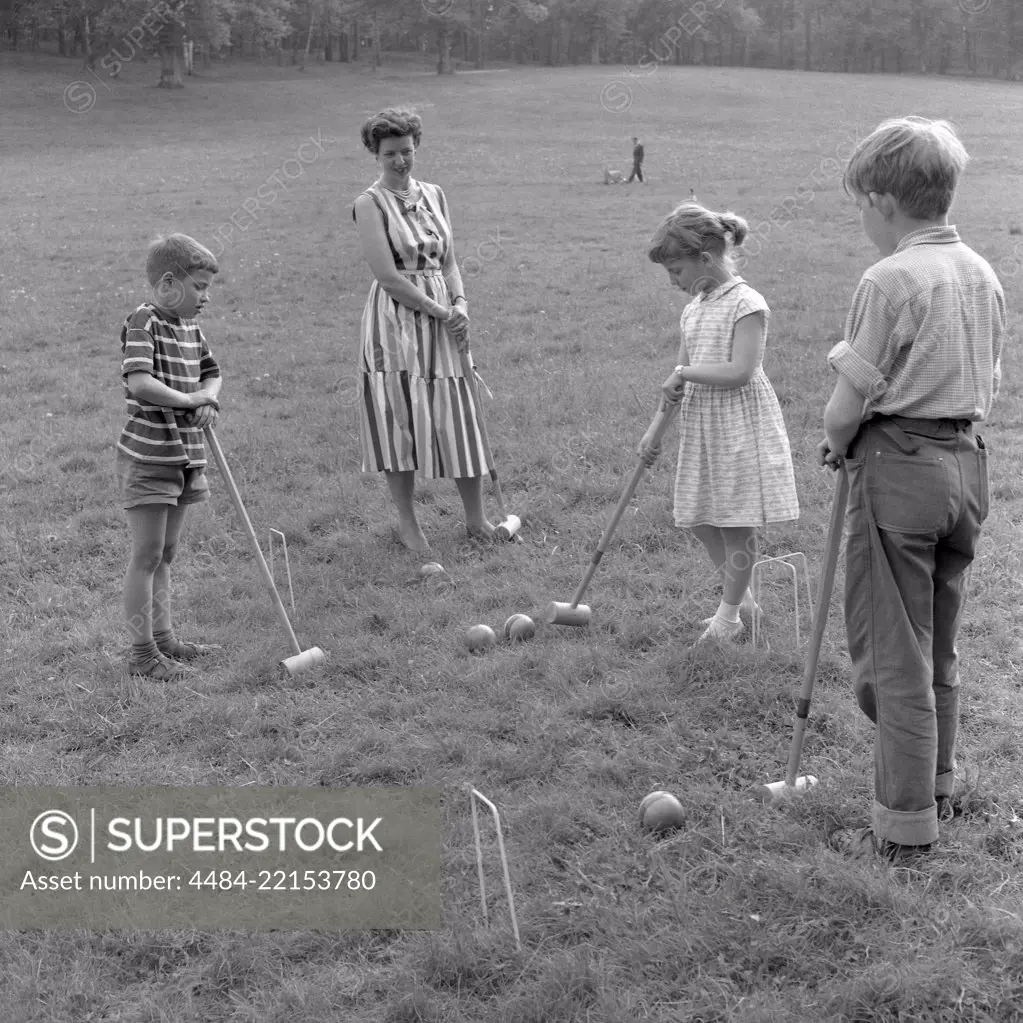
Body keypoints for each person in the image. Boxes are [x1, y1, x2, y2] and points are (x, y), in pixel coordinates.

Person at [817, 117, 1005, 863]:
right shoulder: (981, 270)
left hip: (899, 469)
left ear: (880, 199)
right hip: (965, 467)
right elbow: (984, 377)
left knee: (892, 654)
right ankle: (940, 782)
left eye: (859, 205)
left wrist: (836, 443)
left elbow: (844, 404)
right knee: (937, 642)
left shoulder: (888, 278)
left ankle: (902, 824)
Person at [638, 200, 799, 644]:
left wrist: (685, 373)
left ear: (705, 259)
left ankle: (729, 618)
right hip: (703, 426)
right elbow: (678, 380)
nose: (674, 282)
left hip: (740, 425)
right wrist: (655, 432)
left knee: (735, 522)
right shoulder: (694, 308)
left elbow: (740, 371)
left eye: (676, 271)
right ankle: (741, 598)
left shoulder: (747, 303)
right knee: (697, 517)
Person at [352, 107, 494, 552]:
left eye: (407, 151)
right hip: (395, 323)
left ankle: (478, 520)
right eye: (390, 153)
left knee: (459, 413)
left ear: (417, 147)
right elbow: (388, 276)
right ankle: (409, 524)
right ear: (375, 154)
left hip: (444, 315)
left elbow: (449, 260)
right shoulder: (368, 204)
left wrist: (461, 304)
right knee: (399, 418)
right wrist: (437, 309)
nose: (400, 161)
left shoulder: (435, 193)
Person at [117, 233, 223, 681]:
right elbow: (140, 383)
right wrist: (190, 399)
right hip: (150, 454)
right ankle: (142, 655)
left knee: (167, 553)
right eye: (198, 286)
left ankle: (164, 640)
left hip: (185, 456)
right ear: (167, 283)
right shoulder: (145, 321)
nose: (205, 296)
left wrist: (208, 399)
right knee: (147, 554)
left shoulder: (190, 327)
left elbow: (213, 374)